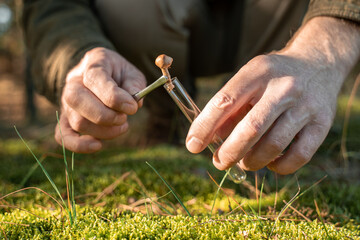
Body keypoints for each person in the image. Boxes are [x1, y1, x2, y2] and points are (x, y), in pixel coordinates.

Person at [23, 0, 360, 175]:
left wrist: (324, 48)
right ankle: (163, 124)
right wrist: (74, 54)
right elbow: (54, 6)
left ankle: (282, 119)